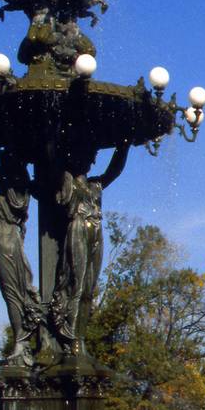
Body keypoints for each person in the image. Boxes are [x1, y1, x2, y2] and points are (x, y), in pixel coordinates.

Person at [50, 144, 129, 355]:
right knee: (76, 283)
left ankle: (80, 338)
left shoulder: (95, 186)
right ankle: (69, 339)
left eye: (88, 155)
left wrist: (125, 144)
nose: (85, 159)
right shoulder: (67, 182)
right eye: (79, 154)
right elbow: (53, 161)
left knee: (89, 288)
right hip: (77, 227)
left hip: (96, 229)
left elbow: (115, 171)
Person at [0, 147, 41, 365]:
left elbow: (0, 179)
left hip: (7, 242)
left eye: (6, 163)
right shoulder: (12, 186)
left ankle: (22, 339)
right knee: (10, 292)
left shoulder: (18, 189)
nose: (2, 168)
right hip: (2, 240)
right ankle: (21, 338)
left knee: (13, 293)